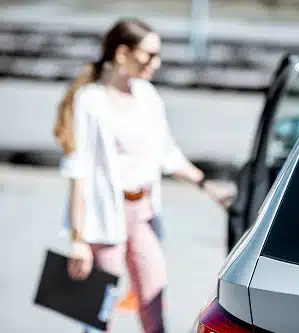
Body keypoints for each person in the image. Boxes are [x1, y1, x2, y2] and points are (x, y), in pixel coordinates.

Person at [53, 18, 228, 333]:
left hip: (143, 213)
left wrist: (209, 187)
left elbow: (168, 153)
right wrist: (78, 240)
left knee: (153, 301)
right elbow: (79, 173)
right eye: (149, 55)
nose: (156, 63)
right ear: (122, 54)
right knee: (96, 315)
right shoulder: (90, 101)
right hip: (103, 220)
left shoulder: (147, 95)